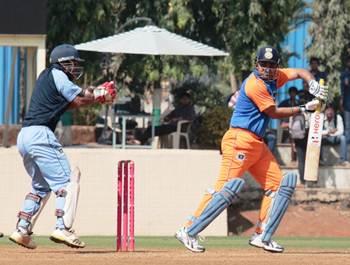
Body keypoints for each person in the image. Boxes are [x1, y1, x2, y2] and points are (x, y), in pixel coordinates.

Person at [175, 46, 328, 253]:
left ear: (276, 66)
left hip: (257, 143)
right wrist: (303, 109)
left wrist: (312, 84)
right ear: (256, 64)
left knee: (276, 184)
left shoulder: (276, 76)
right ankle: (188, 229)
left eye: (271, 65)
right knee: (222, 190)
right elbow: (272, 112)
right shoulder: (255, 84)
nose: (266, 68)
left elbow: (301, 71)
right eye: (262, 64)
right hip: (239, 140)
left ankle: (261, 234)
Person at [9, 44, 116, 249]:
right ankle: (63, 227)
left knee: (40, 186)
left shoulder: (47, 77)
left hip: (25, 136)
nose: (76, 67)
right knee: (68, 179)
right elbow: (79, 94)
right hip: (41, 134)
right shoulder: (57, 74)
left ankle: (22, 229)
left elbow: (74, 102)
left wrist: (95, 97)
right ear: (64, 63)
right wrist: (98, 93)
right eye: (74, 63)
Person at [340, 57, 350, 144]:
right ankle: (347, 146)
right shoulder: (345, 74)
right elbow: (344, 86)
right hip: (347, 104)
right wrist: (341, 100)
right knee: (347, 126)